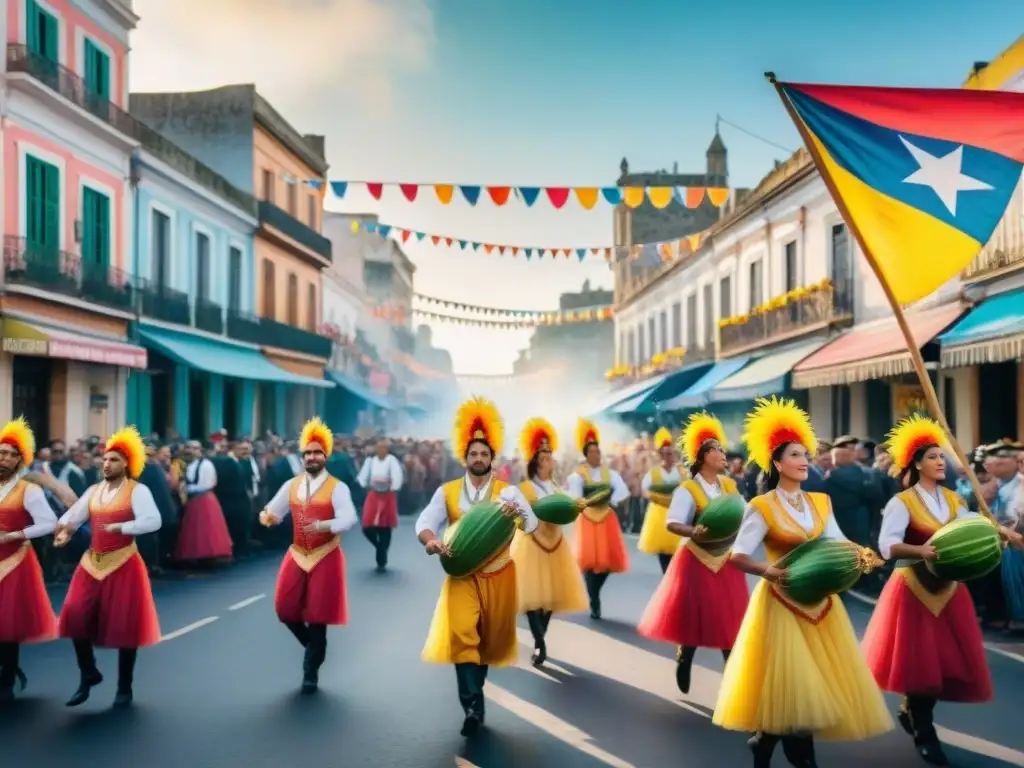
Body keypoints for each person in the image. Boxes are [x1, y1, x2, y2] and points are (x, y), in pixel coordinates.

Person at [712, 397, 892, 767]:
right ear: (777, 463)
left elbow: (837, 542)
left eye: (806, 454)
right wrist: (771, 571)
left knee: (814, 685)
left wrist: (864, 556)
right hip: (781, 602)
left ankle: (763, 742)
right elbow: (739, 555)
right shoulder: (760, 506)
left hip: (821, 603)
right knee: (794, 688)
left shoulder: (820, 502)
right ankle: (792, 754)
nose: (805, 460)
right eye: (796, 455)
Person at [862, 417, 1023, 766]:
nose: (940, 462)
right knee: (919, 666)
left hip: (949, 589)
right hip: (913, 589)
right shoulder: (901, 502)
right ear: (917, 462)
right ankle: (924, 731)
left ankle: (914, 711)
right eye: (933, 456)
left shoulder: (955, 500)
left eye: (942, 456)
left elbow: (972, 533)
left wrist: (1001, 535)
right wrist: (920, 551)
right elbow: (888, 546)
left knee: (940, 667)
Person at [415, 396, 537, 737]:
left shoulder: (508, 492)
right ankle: (470, 703)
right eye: (473, 454)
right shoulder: (448, 491)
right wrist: (431, 541)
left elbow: (531, 527)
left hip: (499, 576)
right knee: (462, 634)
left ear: (492, 458)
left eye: (484, 454)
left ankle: (476, 692)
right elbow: (426, 521)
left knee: (485, 643)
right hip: (461, 576)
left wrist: (519, 513)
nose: (479, 458)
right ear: (465, 458)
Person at [637, 412, 748, 695]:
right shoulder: (687, 489)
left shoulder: (730, 486)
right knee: (696, 617)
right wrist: (691, 531)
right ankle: (685, 657)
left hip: (726, 560)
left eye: (723, 449)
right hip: (696, 559)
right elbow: (672, 522)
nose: (723, 454)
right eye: (717, 450)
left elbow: (745, 514)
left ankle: (733, 685)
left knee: (730, 621)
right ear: (703, 456)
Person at [54, 426, 162, 708]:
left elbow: (153, 520)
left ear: (127, 463)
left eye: (113, 460)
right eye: (104, 459)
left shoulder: (138, 491)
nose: (106, 464)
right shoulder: (93, 490)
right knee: (74, 614)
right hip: (92, 562)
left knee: (126, 625)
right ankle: (88, 672)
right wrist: (64, 532)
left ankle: (124, 687)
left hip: (124, 561)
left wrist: (123, 526)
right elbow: (72, 517)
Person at [260, 418, 358, 693]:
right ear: (302, 457)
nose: (312, 457)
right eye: (307, 453)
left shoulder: (337, 487)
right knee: (284, 609)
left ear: (325, 456)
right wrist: (267, 517)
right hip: (297, 553)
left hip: (325, 553)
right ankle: (314, 647)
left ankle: (310, 672)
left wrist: (324, 525)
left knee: (317, 615)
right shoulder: (291, 485)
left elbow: (349, 518)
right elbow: (273, 511)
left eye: (317, 453)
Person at [510, 418, 587, 666]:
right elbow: (518, 515)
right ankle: (539, 640)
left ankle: (541, 631)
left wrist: (577, 505)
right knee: (532, 596)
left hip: (554, 544)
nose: (551, 462)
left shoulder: (555, 486)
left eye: (551, 457)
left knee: (552, 596)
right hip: (532, 544)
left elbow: (566, 507)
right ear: (538, 463)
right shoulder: (525, 487)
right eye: (547, 458)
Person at [0, 418, 57, 703]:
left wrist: (14, 534)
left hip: (14, 562)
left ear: (20, 460)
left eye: (11, 455)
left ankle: (7, 680)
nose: (5, 459)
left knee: (7, 625)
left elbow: (48, 522)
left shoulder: (28, 489)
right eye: (1, 453)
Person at [565, 419, 629, 619]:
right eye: (592, 452)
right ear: (586, 455)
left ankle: (595, 592)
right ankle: (594, 598)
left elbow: (622, 491)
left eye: (598, 452)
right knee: (588, 562)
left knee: (607, 563)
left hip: (606, 518)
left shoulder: (610, 474)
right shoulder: (578, 476)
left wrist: (612, 502)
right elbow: (575, 497)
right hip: (587, 520)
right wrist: (585, 503)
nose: (596, 455)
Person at [175, 441, 233, 563]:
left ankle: (209, 554)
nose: (191, 452)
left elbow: (206, 485)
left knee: (205, 527)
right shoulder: (188, 465)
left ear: (200, 450)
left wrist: (186, 489)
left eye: (194, 449)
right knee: (193, 528)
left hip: (204, 499)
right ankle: (194, 554)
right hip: (193, 500)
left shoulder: (206, 465)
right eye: (189, 449)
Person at [638, 427, 683, 573]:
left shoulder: (682, 472)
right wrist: (654, 497)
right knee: (664, 557)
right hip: (659, 515)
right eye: (664, 454)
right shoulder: (654, 473)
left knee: (678, 556)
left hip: (677, 514)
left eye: (670, 453)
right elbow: (645, 490)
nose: (668, 457)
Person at [357, 438, 403, 571]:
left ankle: (382, 554)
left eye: (384, 448)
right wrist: (365, 484)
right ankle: (379, 546)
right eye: (379, 447)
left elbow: (397, 476)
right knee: (367, 526)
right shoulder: (370, 461)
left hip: (387, 495)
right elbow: (363, 477)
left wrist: (393, 486)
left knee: (385, 527)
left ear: (387, 449)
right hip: (373, 495)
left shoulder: (391, 460)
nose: (381, 450)